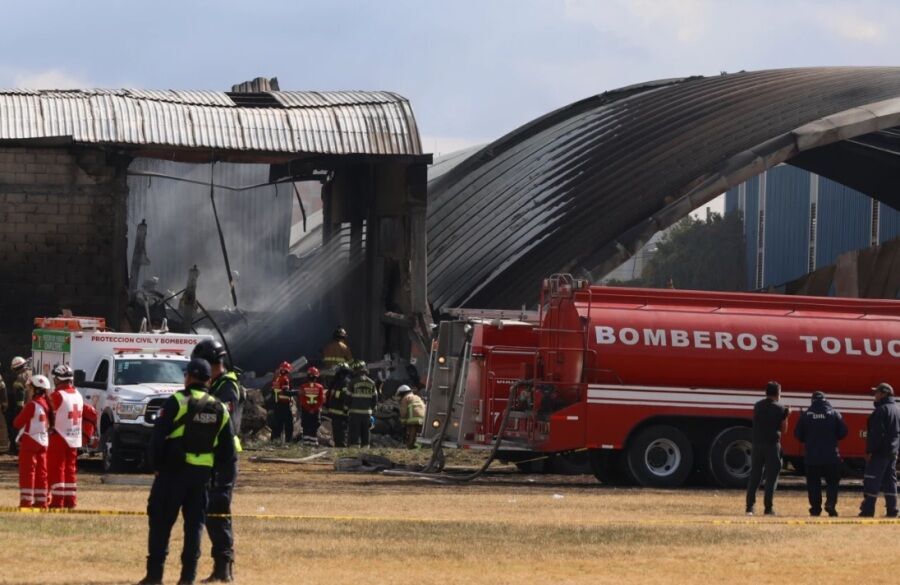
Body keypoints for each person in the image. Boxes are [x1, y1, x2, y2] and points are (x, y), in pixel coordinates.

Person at [139, 358, 237, 585]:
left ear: (190, 377)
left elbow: (157, 438)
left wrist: (155, 466)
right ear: (208, 380)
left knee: (161, 524)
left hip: (172, 475)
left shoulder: (177, 401)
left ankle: (154, 576)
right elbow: (227, 452)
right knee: (194, 528)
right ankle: (187, 578)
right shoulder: (219, 407)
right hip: (201, 478)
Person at [190, 338, 243, 583]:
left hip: (224, 458)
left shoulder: (227, 386)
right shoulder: (217, 385)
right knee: (211, 511)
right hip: (212, 457)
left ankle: (224, 568)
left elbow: (219, 417)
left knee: (218, 509)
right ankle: (219, 568)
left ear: (212, 364)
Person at [794, 391, 848, 516]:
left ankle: (815, 508)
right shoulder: (834, 413)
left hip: (812, 457)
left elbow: (798, 435)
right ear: (825, 400)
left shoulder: (806, 415)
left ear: (812, 401)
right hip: (831, 457)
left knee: (813, 483)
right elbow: (844, 432)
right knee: (833, 482)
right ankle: (830, 503)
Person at [745, 381, 790, 516]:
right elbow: (784, 429)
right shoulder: (781, 409)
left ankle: (750, 507)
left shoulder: (758, 405)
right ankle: (768, 508)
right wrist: (786, 415)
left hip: (757, 444)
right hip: (772, 445)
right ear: (778, 393)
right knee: (771, 477)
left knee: (755, 476)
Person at [859, 382, 899, 518]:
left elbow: (876, 433)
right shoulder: (896, 409)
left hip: (880, 452)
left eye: (876, 392)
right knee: (890, 481)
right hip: (893, 451)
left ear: (884, 393)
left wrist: (870, 450)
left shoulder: (881, 410)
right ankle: (893, 510)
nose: (874, 395)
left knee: (872, 479)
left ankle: (868, 510)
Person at [47, 364, 83, 509]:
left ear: (57, 379)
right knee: (70, 470)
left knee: (57, 469)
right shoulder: (77, 394)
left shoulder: (57, 395)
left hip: (59, 436)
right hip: (74, 437)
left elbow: (45, 412)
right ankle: (70, 501)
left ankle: (57, 501)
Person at [13, 375, 51, 508]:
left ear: (36, 389)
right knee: (42, 472)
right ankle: (42, 501)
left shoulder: (32, 405)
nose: (28, 390)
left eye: (30, 388)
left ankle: (26, 502)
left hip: (30, 441)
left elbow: (17, 423)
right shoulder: (47, 404)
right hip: (44, 441)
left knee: (27, 472)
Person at [347, 361, 378, 448]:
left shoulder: (352, 382)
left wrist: (347, 408)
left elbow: (348, 398)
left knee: (355, 431)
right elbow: (375, 398)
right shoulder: (371, 383)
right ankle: (365, 448)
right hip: (367, 413)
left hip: (355, 412)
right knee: (366, 431)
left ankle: (354, 448)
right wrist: (372, 409)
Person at [323, 362, 352, 447]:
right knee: (336, 430)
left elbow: (345, 395)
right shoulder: (337, 382)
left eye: (338, 371)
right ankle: (338, 445)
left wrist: (335, 393)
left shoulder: (346, 382)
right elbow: (330, 394)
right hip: (335, 411)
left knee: (341, 431)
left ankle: (342, 446)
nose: (336, 373)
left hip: (342, 411)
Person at [5, 357, 29, 455]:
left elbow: (20, 393)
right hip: (33, 406)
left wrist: (19, 409)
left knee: (15, 426)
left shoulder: (20, 378)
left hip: (23, 407)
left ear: (16, 368)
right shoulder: (31, 372)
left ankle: (15, 448)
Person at [298, 367, 325, 445]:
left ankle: (306, 441)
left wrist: (308, 408)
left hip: (305, 410)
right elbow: (321, 400)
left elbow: (302, 399)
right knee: (314, 425)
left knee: (306, 425)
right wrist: (314, 409)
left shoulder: (303, 387)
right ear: (316, 377)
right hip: (315, 411)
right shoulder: (320, 387)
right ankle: (313, 442)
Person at [270, 362, 294, 444]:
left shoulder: (275, 379)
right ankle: (288, 441)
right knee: (289, 424)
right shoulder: (285, 379)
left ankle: (274, 441)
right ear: (287, 371)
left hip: (276, 404)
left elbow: (272, 392)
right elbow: (286, 392)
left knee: (277, 424)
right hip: (284, 405)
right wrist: (297, 392)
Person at [397, 385, 425, 449]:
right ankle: (419, 447)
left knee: (412, 433)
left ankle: (410, 446)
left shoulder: (405, 398)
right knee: (419, 434)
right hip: (423, 418)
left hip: (413, 419)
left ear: (402, 393)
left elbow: (403, 412)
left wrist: (402, 422)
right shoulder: (417, 397)